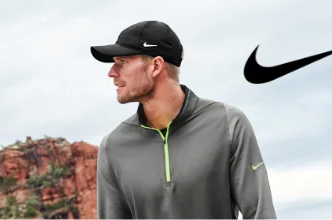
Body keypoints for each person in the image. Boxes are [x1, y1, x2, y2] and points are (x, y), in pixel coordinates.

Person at [91, 20, 276, 219]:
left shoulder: (228, 123)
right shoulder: (113, 146)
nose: (111, 72)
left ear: (155, 66)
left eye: (122, 62)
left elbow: (260, 213)